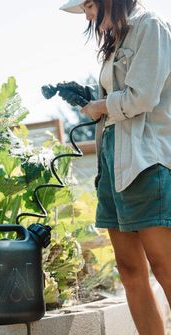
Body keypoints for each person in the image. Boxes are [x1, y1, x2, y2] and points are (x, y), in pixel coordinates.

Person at [59, 0, 171, 334]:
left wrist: (101, 105)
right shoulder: (114, 42)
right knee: (129, 270)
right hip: (112, 162)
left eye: (91, 5)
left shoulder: (149, 27)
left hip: (145, 162)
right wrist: (88, 99)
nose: (89, 15)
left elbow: (143, 97)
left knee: (164, 265)